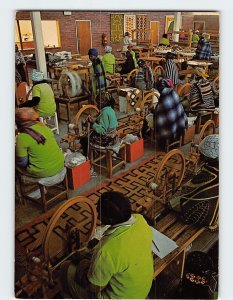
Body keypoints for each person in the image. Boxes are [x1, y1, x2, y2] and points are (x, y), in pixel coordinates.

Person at [60, 191, 154, 299]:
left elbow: (93, 286)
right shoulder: (140, 220)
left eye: (99, 212)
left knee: (66, 268)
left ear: (110, 220)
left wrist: (81, 263)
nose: (98, 215)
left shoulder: (105, 251)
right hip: (140, 290)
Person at [169, 134, 219, 230]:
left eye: (202, 155)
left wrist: (179, 191)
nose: (200, 155)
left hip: (210, 215)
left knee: (174, 200)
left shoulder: (209, 174)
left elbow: (189, 188)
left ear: (209, 157)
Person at [15, 107, 64, 179]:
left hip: (43, 171)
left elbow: (23, 163)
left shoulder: (21, 137)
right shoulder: (44, 127)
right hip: (60, 163)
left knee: (14, 164)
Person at [80, 92, 118, 157]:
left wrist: (92, 124)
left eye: (98, 102)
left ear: (104, 102)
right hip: (113, 136)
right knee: (91, 133)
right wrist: (94, 120)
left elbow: (102, 131)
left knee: (84, 138)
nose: (96, 104)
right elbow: (103, 120)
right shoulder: (110, 109)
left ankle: (86, 156)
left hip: (106, 140)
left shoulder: (104, 113)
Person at [154, 78, 188, 150]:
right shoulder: (174, 93)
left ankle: (163, 143)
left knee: (155, 119)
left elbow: (159, 114)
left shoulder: (163, 97)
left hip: (170, 128)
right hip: (179, 125)